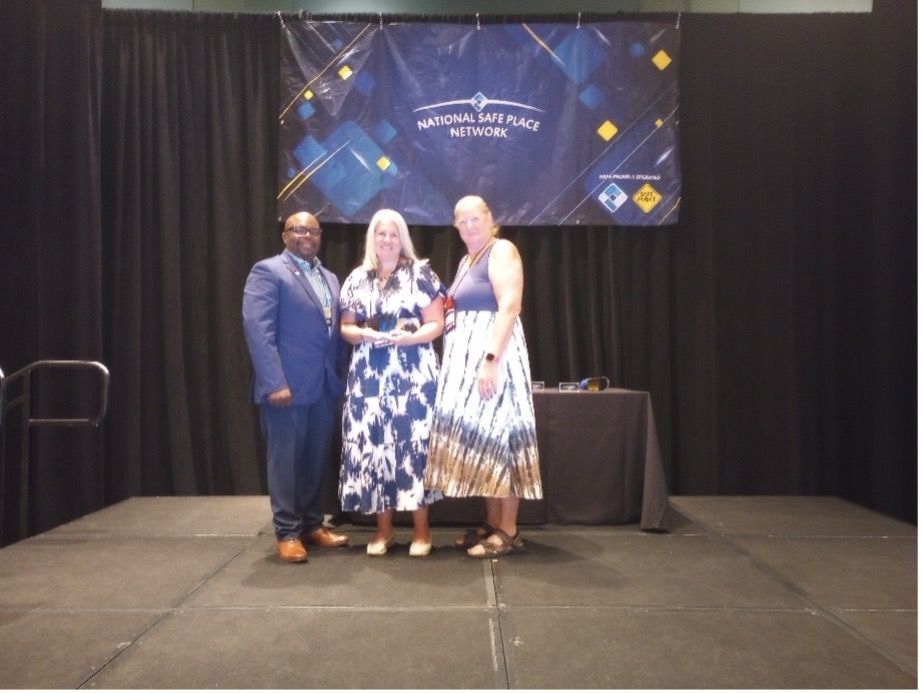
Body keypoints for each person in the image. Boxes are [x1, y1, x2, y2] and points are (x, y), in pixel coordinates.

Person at [425, 195, 542, 558]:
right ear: (456, 226)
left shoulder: (501, 250)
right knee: (485, 440)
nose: (470, 225)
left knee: (502, 436)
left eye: (476, 218)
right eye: (463, 220)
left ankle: (509, 530)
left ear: (490, 219)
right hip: (467, 361)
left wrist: (491, 359)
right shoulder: (465, 260)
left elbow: (510, 305)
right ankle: (492, 524)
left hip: (495, 356)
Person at [242, 211, 350, 563]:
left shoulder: (330, 277)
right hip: (285, 388)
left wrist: (339, 375)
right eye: (298, 229)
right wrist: (274, 382)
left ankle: (311, 524)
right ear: (285, 235)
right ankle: (287, 531)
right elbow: (258, 330)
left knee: (315, 459)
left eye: (313, 230)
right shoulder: (268, 271)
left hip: (322, 388)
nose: (307, 235)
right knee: (285, 461)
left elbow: (332, 333)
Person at [338, 209, 445, 556]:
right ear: (372, 238)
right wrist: (364, 333)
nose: (387, 240)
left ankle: (422, 533)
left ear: (403, 239)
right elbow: (346, 329)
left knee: (412, 447)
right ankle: (383, 533)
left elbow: (436, 324)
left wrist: (409, 338)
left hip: (412, 371)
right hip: (369, 374)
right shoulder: (357, 277)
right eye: (381, 234)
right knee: (376, 447)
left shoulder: (420, 273)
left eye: (393, 234)